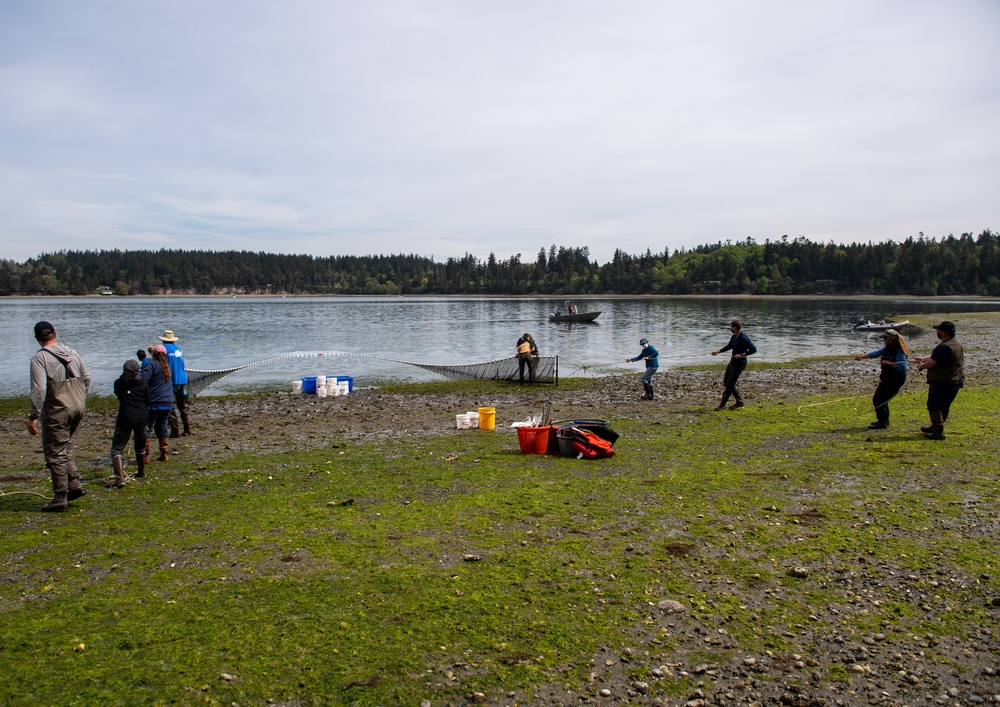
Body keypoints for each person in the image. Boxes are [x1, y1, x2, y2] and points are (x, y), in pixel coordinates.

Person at [27, 321, 91, 512]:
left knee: (54, 451)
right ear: (55, 333)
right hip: (78, 407)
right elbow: (86, 378)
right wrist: (79, 398)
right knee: (64, 445)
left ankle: (60, 497)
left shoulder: (39, 359)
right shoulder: (71, 351)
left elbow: (39, 389)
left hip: (57, 409)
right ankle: (74, 484)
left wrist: (33, 416)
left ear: (37, 338)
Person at [915, 321, 964, 440]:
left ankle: (938, 431)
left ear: (944, 333)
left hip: (942, 381)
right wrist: (923, 358)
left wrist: (922, 366)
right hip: (954, 380)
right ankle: (935, 426)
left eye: (939, 331)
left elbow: (932, 363)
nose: (937, 333)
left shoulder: (944, 347)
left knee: (934, 405)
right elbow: (937, 357)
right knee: (944, 405)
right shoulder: (956, 343)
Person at [854, 328, 909, 429]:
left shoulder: (899, 351)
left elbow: (902, 367)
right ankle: (883, 421)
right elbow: (876, 353)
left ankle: (883, 422)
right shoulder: (887, 348)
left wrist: (889, 363)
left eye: (885, 338)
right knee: (881, 399)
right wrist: (862, 356)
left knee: (879, 399)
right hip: (887, 379)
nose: (884, 340)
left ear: (892, 338)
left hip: (895, 380)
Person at [110, 359, 149, 487]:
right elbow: (147, 399)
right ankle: (141, 471)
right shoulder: (142, 383)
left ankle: (120, 478)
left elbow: (119, 396)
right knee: (140, 446)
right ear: (137, 371)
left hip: (125, 418)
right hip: (141, 418)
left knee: (117, 449)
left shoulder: (118, 384)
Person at [711, 320, 757, 410]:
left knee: (730, 384)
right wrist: (718, 352)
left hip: (740, 364)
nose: (730, 328)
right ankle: (739, 402)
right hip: (732, 362)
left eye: (731, 327)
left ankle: (722, 406)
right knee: (726, 382)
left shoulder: (744, 338)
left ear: (735, 328)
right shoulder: (734, 337)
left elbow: (753, 349)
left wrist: (742, 355)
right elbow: (729, 346)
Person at [141, 345, 174, 463]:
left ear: (153, 354)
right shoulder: (167, 367)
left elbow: (142, 381)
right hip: (168, 401)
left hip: (154, 402)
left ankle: (145, 456)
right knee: (162, 426)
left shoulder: (151, 365)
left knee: (146, 427)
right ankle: (164, 454)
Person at [158, 329, 191, 436]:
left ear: (164, 340)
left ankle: (175, 431)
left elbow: (160, 364)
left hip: (170, 381)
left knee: (170, 406)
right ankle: (187, 429)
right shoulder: (179, 349)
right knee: (182, 406)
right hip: (182, 379)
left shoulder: (163, 350)